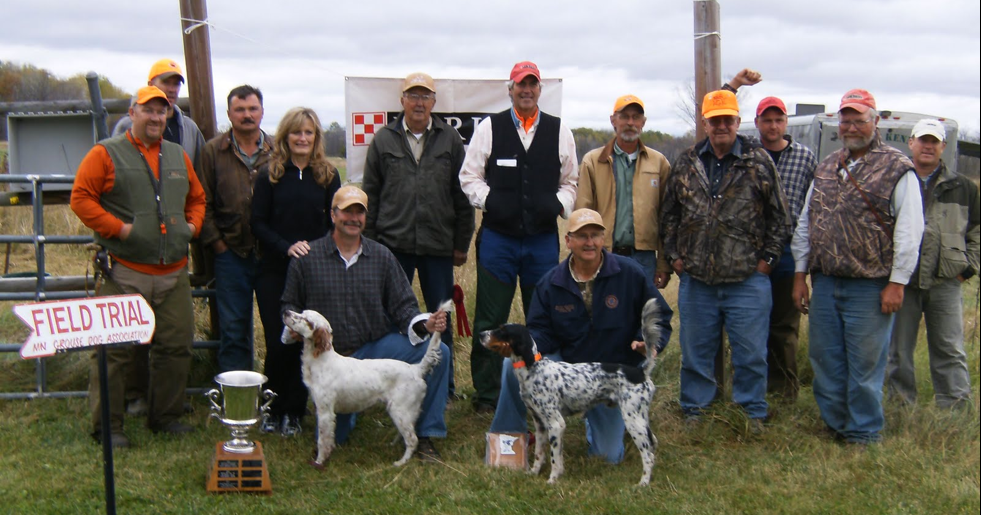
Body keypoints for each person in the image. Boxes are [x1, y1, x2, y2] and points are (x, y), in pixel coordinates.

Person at [70, 86, 206, 447]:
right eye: (149, 110)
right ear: (132, 113)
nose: (156, 118)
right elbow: (81, 198)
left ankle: (165, 417)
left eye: (162, 112)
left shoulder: (178, 155)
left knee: (176, 347)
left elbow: (197, 198)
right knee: (114, 352)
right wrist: (119, 229)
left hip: (173, 271)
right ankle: (108, 427)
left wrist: (191, 226)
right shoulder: (106, 153)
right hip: (124, 270)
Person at [281, 185, 451, 462]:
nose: (354, 218)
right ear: (333, 215)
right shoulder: (307, 258)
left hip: (376, 349)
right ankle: (352, 413)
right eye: (347, 212)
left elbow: (404, 307)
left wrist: (425, 324)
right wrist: (294, 331)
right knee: (337, 436)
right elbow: (288, 305)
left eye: (359, 213)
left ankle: (427, 435)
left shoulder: (382, 256)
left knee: (439, 354)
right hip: (329, 360)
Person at [488, 208, 673, 462]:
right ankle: (509, 443)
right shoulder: (550, 282)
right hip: (568, 365)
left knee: (607, 457)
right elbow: (540, 330)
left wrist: (649, 343)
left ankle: (612, 423)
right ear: (568, 241)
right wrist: (523, 348)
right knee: (513, 364)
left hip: (612, 371)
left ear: (603, 239)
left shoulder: (630, 273)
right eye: (582, 236)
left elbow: (660, 313)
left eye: (595, 235)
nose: (590, 242)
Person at [792, 89, 924, 444]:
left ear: (875, 121)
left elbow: (911, 231)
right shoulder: (827, 166)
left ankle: (864, 433)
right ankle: (836, 425)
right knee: (825, 359)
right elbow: (806, 222)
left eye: (859, 119)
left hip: (870, 286)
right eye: (846, 120)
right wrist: (800, 273)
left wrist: (897, 283)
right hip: (826, 282)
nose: (851, 126)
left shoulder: (898, 168)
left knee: (865, 365)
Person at [660, 89, 790, 426]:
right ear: (704, 122)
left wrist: (768, 262)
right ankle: (695, 411)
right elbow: (669, 214)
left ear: (737, 121)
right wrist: (675, 256)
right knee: (696, 355)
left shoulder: (758, 161)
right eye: (714, 120)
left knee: (750, 356)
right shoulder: (687, 162)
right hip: (697, 281)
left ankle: (751, 412)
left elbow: (780, 216)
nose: (721, 126)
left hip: (747, 280)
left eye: (727, 120)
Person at [459, 60, 578, 413]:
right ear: (509, 89)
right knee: (489, 318)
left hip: (542, 240)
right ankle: (487, 396)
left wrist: (558, 205)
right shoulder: (489, 128)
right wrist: (491, 200)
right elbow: (469, 178)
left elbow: (570, 182)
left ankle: (544, 391)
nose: (526, 90)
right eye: (520, 84)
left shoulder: (560, 131)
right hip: (498, 239)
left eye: (532, 84)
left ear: (540, 90)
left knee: (542, 316)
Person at [363, 72, 474, 398]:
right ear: (402, 101)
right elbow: (371, 194)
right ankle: (384, 382)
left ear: (434, 102)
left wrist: (461, 243)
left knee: (441, 318)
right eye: (413, 96)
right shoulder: (383, 139)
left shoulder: (450, 139)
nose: (419, 102)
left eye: (425, 96)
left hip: (437, 245)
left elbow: (462, 195)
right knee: (388, 316)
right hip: (391, 246)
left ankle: (446, 386)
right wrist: (369, 244)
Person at [113, 58, 207, 416]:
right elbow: (94, 191)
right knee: (135, 333)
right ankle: (136, 395)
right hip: (133, 253)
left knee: (174, 336)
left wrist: (192, 226)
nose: (171, 89)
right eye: (165, 82)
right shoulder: (122, 131)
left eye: (176, 84)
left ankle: (167, 402)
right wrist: (122, 229)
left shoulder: (189, 130)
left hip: (173, 251)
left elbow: (195, 184)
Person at [252, 107, 341, 436]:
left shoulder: (328, 175)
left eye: (309, 133)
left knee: (306, 343)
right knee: (279, 343)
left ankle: (295, 411)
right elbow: (257, 222)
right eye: (296, 132)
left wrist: (319, 253)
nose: (302, 138)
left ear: (316, 137)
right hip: (275, 270)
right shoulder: (269, 174)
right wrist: (285, 246)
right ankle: (271, 409)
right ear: (285, 136)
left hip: (313, 273)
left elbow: (335, 222)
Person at [885, 119, 978, 409]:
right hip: (903, 282)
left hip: (946, 283)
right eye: (922, 140)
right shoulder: (895, 180)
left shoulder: (963, 187)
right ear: (911, 143)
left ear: (943, 147)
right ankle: (900, 409)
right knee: (897, 351)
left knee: (949, 350)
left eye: (934, 141)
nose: (928, 146)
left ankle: (955, 412)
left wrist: (966, 269)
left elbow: (977, 232)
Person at [198, 85, 273, 374]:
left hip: (272, 256)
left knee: (278, 327)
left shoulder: (279, 150)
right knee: (233, 330)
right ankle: (237, 401)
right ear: (229, 114)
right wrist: (217, 243)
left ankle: (275, 395)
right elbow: (201, 201)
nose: (247, 115)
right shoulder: (213, 151)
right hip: (231, 255)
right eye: (239, 110)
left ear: (262, 112)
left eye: (252, 109)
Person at [751, 96, 818, 401]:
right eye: (767, 120)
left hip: (789, 253)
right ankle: (752, 390)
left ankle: (784, 393)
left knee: (784, 327)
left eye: (778, 120)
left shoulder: (805, 158)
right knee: (750, 324)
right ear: (757, 124)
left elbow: (813, 208)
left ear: (786, 123)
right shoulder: (748, 155)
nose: (773, 125)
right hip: (750, 252)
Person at [575, 95, 672, 288]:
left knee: (642, 315)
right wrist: (583, 256)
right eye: (624, 116)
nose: (630, 122)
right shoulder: (593, 161)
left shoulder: (658, 162)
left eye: (636, 117)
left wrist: (663, 263)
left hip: (644, 259)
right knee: (602, 313)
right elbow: (582, 214)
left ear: (643, 122)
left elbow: (667, 217)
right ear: (613, 120)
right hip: (603, 254)